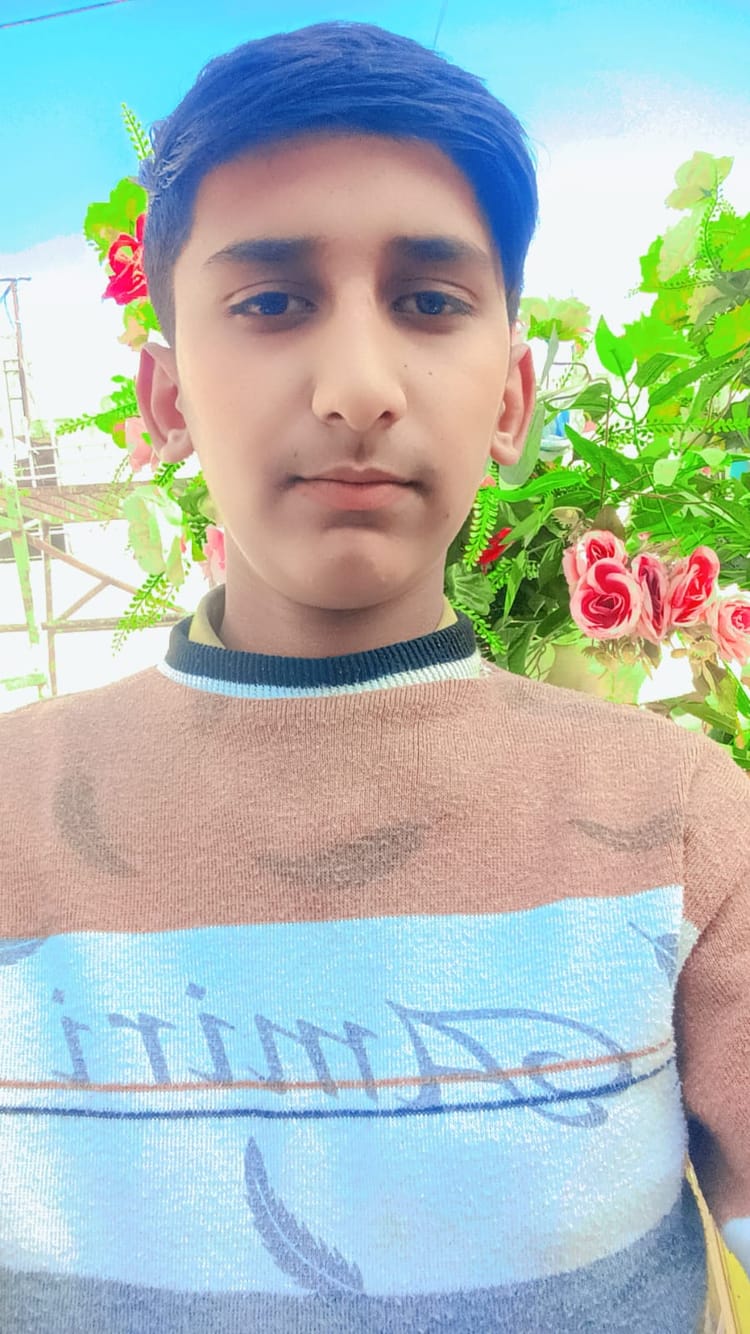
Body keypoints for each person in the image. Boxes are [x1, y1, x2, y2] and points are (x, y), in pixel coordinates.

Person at [1, 21, 748, 1334]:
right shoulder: (16, 813)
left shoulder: (681, 820)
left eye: (429, 301)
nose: (356, 388)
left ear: (511, 398)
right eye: (271, 303)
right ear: (165, 398)